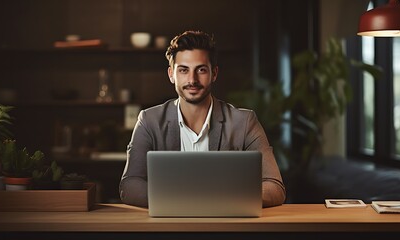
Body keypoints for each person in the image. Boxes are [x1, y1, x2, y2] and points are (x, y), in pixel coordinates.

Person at [119, 30, 286, 208]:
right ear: (171, 74)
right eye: (183, 70)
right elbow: (129, 185)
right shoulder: (149, 120)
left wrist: (221, 200)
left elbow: (275, 187)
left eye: (201, 70)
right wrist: (183, 201)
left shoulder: (244, 122)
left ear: (214, 73)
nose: (192, 79)